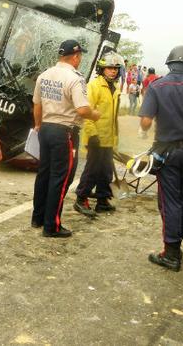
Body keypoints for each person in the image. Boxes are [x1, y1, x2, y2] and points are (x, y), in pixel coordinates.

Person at [138, 45, 183, 271]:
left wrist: (144, 130)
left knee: (169, 200)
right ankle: (178, 240)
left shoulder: (157, 86)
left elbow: (146, 120)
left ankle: (171, 253)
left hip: (167, 152)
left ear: (169, 63)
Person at [32, 39, 100, 238]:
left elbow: (37, 104)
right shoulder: (75, 78)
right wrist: (95, 114)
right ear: (76, 57)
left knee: (44, 174)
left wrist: (38, 125)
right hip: (65, 132)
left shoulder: (44, 75)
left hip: (45, 128)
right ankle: (51, 225)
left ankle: (38, 217)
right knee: (60, 179)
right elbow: (82, 109)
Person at [75, 51, 124, 216]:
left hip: (108, 138)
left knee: (106, 171)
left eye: (116, 68)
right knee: (92, 170)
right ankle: (81, 199)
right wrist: (92, 134)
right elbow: (87, 112)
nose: (113, 71)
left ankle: (102, 200)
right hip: (96, 137)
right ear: (102, 69)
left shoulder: (115, 88)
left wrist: (115, 137)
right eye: (110, 68)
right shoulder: (94, 85)